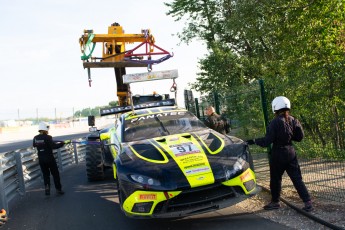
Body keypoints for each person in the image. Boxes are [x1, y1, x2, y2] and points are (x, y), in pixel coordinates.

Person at [246, 96, 313, 212]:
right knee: (297, 178)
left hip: (278, 154)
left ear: (275, 107)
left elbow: (267, 141)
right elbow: (299, 137)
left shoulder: (274, 122)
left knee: (276, 179)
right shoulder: (294, 120)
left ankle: (275, 202)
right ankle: (308, 202)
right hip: (291, 152)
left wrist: (254, 141)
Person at [33, 122, 69, 196]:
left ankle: (47, 189)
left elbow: (34, 145)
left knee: (46, 175)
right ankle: (58, 190)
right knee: (55, 174)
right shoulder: (48, 137)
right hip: (49, 158)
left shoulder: (35, 138)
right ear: (45, 129)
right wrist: (62, 143)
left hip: (41, 159)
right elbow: (54, 146)